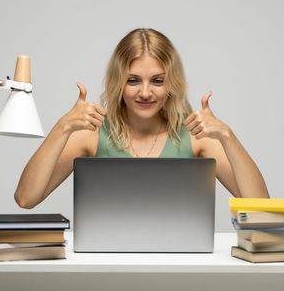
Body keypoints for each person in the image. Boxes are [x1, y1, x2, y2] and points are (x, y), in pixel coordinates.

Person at [14, 28, 269, 209]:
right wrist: (62, 127)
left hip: (182, 266)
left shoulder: (195, 135)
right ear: (118, 82)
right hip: (103, 267)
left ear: (172, 83)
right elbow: (26, 198)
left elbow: (261, 207)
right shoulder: (91, 133)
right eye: (133, 80)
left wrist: (227, 136)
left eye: (157, 81)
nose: (145, 92)